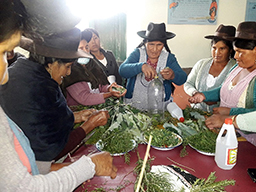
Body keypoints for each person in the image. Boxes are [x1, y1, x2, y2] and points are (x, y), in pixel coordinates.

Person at [0, 0, 116, 191]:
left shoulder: (23, 69)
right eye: (68, 66)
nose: (69, 73)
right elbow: (51, 153)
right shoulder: (43, 88)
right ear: (52, 62)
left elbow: (39, 121)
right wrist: (90, 127)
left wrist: (75, 116)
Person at [189, 21, 256, 145]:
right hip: (225, 132)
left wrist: (229, 114)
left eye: (241, 52)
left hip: (246, 141)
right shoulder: (237, 68)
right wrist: (204, 95)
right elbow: (223, 89)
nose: (236, 56)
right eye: (235, 51)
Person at [119, 22, 187, 111]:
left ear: (164, 45)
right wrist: (141, 66)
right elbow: (122, 70)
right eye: (151, 44)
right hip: (134, 107)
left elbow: (182, 78)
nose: (154, 50)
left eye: (159, 45)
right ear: (145, 43)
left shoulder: (169, 58)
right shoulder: (137, 54)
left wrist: (173, 75)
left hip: (159, 109)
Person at [61, 29, 126, 106]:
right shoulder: (70, 70)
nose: (85, 51)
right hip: (79, 112)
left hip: (96, 108)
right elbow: (84, 98)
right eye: (81, 48)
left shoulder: (92, 64)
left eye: (87, 47)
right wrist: (109, 94)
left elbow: (100, 86)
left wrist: (109, 88)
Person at [184, 24, 236, 112]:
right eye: (214, 48)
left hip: (221, 116)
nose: (217, 52)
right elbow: (188, 83)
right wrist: (195, 93)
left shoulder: (235, 68)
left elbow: (231, 92)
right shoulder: (201, 64)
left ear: (230, 50)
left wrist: (213, 98)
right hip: (196, 113)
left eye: (222, 48)